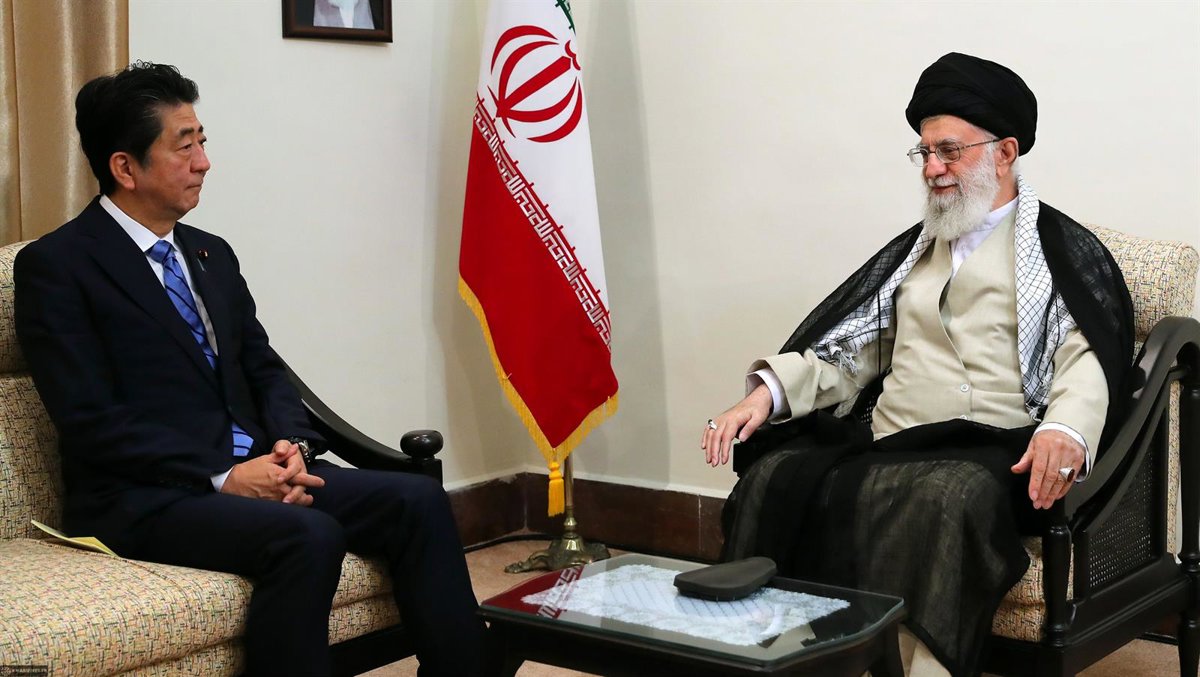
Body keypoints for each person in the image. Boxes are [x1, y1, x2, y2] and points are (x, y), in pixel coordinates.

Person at [14, 62, 487, 677]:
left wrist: (292, 445)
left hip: (256, 467)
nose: (204, 162)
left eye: (202, 141)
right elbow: (91, 420)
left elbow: (264, 368)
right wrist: (224, 476)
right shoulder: (57, 266)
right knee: (307, 536)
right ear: (125, 168)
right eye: (185, 147)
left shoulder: (210, 253)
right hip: (142, 497)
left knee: (417, 499)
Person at [705, 53, 1133, 677]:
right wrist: (764, 395)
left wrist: (1065, 429)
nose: (932, 168)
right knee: (774, 475)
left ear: (1005, 152)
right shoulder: (915, 253)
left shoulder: (1057, 252)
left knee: (944, 495)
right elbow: (850, 352)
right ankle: (767, 656)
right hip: (894, 439)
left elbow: (1084, 357)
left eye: (949, 151)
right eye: (925, 153)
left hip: (993, 448)